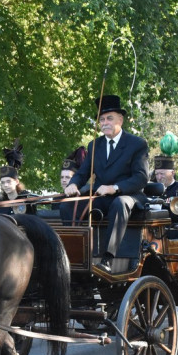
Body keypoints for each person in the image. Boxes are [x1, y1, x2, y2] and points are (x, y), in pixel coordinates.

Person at [64, 95, 149, 274]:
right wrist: (73, 185)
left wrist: (115, 188)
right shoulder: (95, 145)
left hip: (129, 196)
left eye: (109, 118)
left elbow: (141, 178)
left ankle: (108, 258)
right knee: (69, 205)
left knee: (120, 203)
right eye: (101, 119)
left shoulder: (137, 144)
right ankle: (72, 255)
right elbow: (82, 173)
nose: (104, 123)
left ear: (120, 119)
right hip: (102, 197)